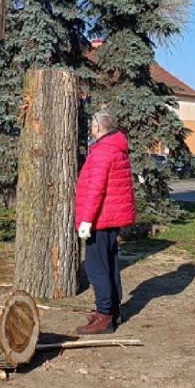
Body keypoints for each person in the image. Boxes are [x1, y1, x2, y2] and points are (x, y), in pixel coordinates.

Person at [74, 109, 137, 335]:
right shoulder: (117, 149)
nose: (90, 129)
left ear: (99, 128)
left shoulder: (102, 152)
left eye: (92, 125)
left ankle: (104, 315)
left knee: (96, 267)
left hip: (100, 218)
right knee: (110, 264)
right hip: (112, 218)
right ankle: (113, 309)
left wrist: (86, 221)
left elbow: (95, 190)